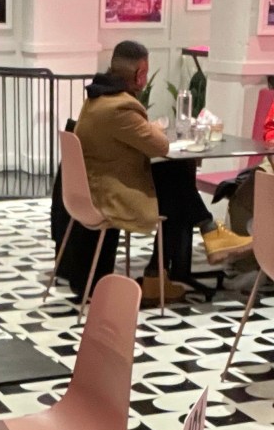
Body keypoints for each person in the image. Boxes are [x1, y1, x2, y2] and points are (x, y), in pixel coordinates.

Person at [72, 40, 252, 304]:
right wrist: (153, 128)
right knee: (176, 188)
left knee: (173, 176)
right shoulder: (121, 107)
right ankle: (202, 241)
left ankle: (183, 256)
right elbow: (161, 146)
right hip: (110, 196)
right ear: (139, 74)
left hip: (95, 187)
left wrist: (148, 128)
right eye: (145, 72)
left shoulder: (97, 98)